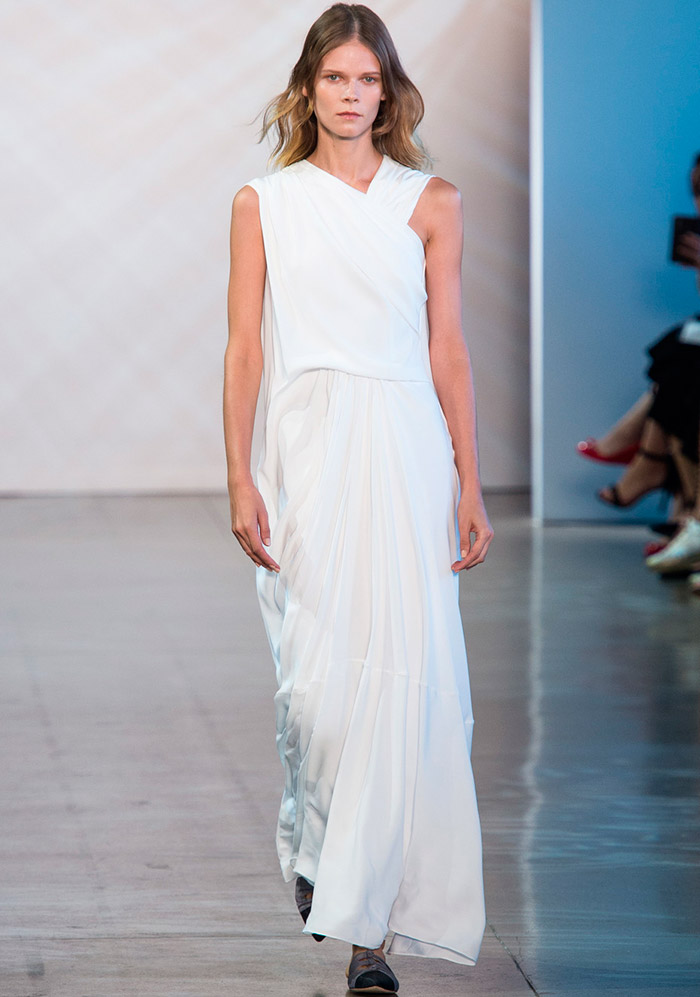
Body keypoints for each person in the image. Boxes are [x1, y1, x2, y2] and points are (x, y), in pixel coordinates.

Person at [223, 4, 493, 992]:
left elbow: (448, 349)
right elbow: (244, 348)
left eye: (366, 78)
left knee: (406, 681)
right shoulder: (264, 202)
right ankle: (316, 843)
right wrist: (239, 473)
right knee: (319, 684)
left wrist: (470, 479)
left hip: (406, 448)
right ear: (309, 88)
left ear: (389, 91)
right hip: (308, 448)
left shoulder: (432, 201)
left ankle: (368, 933)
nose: (350, 93)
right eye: (334, 77)